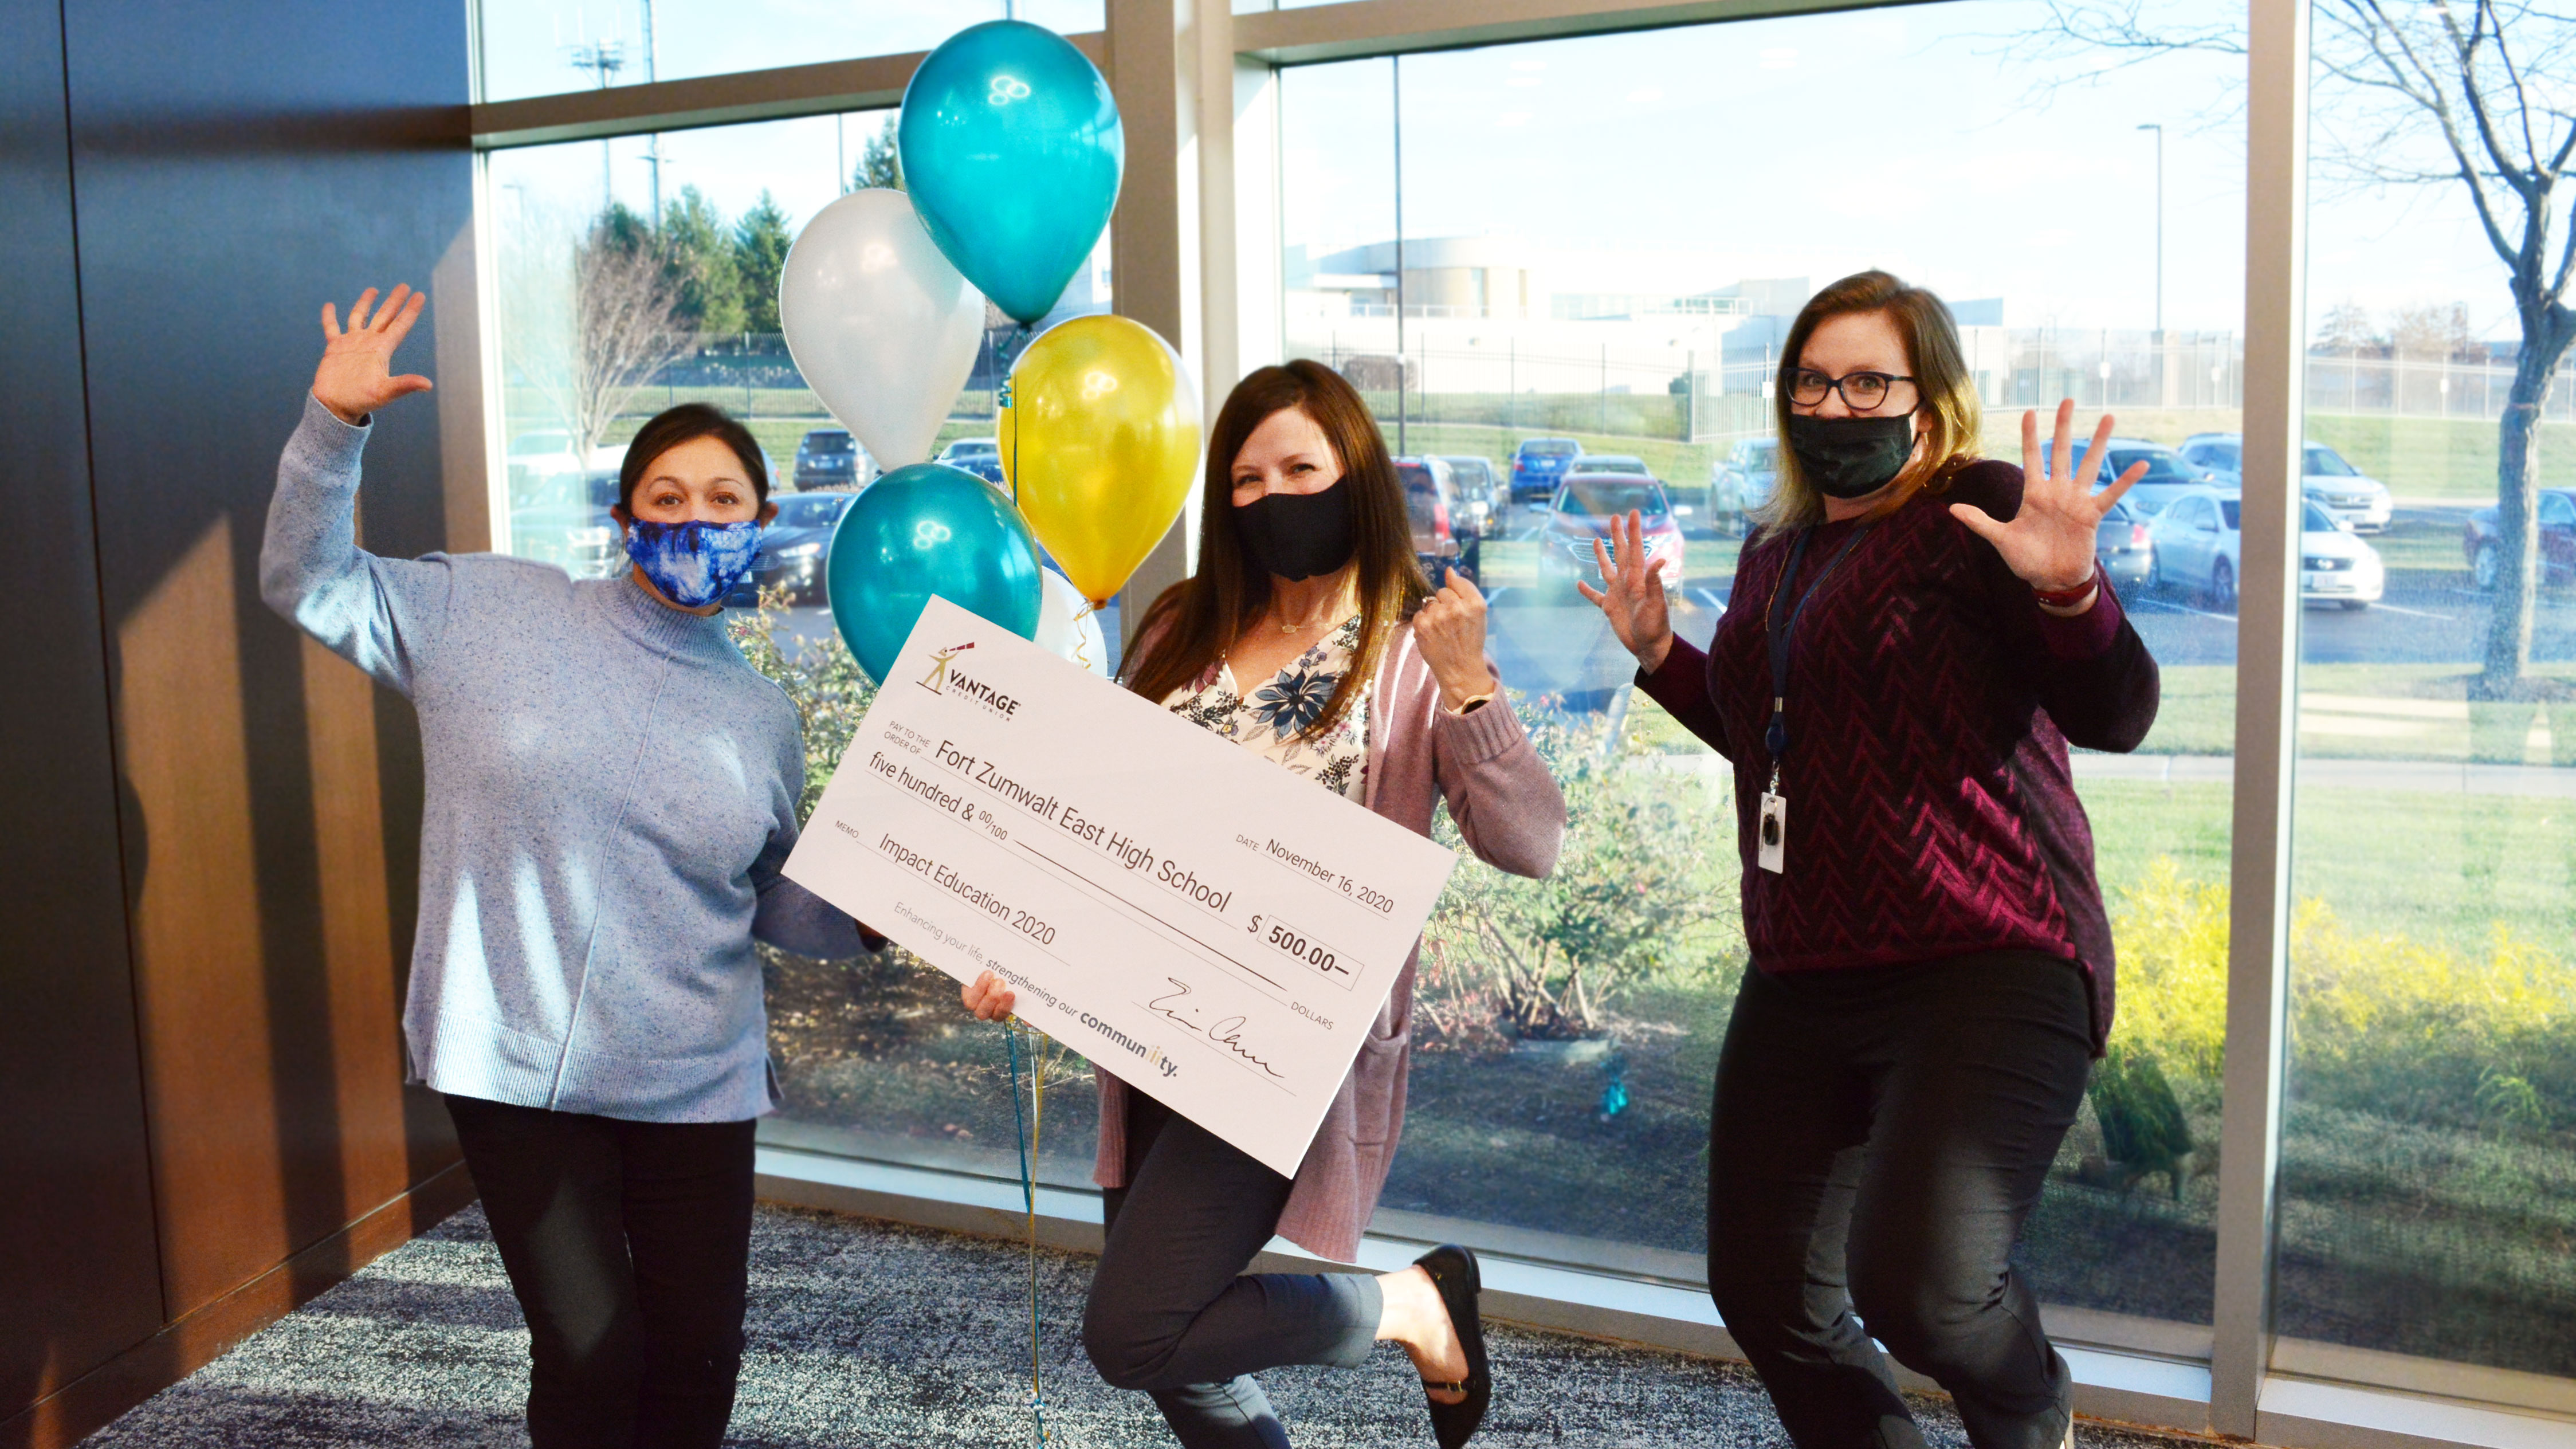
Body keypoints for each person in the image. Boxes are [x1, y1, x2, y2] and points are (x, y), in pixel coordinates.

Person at [262, 285, 875, 1449]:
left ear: (763, 518)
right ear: (621, 514)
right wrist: (330, 428)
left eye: (725, 498)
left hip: (696, 1077)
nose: (696, 518)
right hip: (517, 1064)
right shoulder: (485, 611)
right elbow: (308, 579)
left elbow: (763, 897)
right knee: (596, 1362)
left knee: (697, 1365)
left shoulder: (760, 714)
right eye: (667, 495)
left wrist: (889, 915)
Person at [1578, 270, 2159, 1449]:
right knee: (1769, 1294)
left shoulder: (1982, 512)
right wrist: (1659, 655)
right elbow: (1778, 735)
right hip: (1804, 967)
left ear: (1929, 400)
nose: (1834, 405)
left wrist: (2069, 589)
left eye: (1866, 381)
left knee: (1924, 1288)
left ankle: (2025, 1393)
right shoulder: (1776, 551)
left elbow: (2118, 710)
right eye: (1810, 381)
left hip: (1987, 951)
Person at [961, 360, 1566, 1449]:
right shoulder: (1180, 628)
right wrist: (1025, 952)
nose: (1272, 495)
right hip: (1145, 1025)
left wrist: (1472, 685)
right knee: (1181, 1350)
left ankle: (1412, 1306)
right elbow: (1098, 826)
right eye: (1245, 478)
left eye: (1301, 467)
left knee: (1131, 1331)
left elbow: (1529, 842)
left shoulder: (1411, 650)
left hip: (1286, 1045)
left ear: (1357, 477)